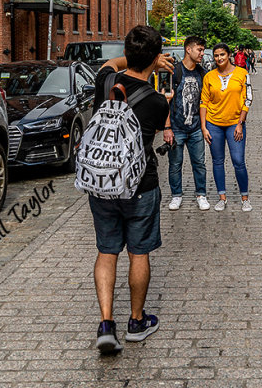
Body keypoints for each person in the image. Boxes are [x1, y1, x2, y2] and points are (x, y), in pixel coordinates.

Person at [89, 25, 174, 353]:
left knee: (107, 251)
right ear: (155, 57)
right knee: (139, 253)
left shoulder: (106, 81)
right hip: (140, 184)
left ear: (129, 53)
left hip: (103, 183)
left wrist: (137, 57)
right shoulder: (157, 103)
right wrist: (153, 63)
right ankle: (136, 322)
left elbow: (111, 63)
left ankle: (106, 323)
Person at [200, 42, 253, 211]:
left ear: (229, 54)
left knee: (238, 162)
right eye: (216, 55)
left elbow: (248, 99)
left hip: (234, 125)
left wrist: (240, 123)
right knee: (217, 161)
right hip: (214, 124)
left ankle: (245, 198)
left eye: (222, 54)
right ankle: (222, 197)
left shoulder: (242, 73)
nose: (219, 58)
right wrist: (204, 127)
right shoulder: (209, 76)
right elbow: (204, 102)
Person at [167, 36, 210, 212]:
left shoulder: (203, 73)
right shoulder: (174, 72)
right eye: (199, 50)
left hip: (196, 129)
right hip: (176, 127)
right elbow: (166, 102)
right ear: (188, 49)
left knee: (199, 163)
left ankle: (201, 194)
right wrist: (167, 127)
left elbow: (206, 102)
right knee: (175, 164)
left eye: (203, 50)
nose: (202, 54)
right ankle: (176, 195)